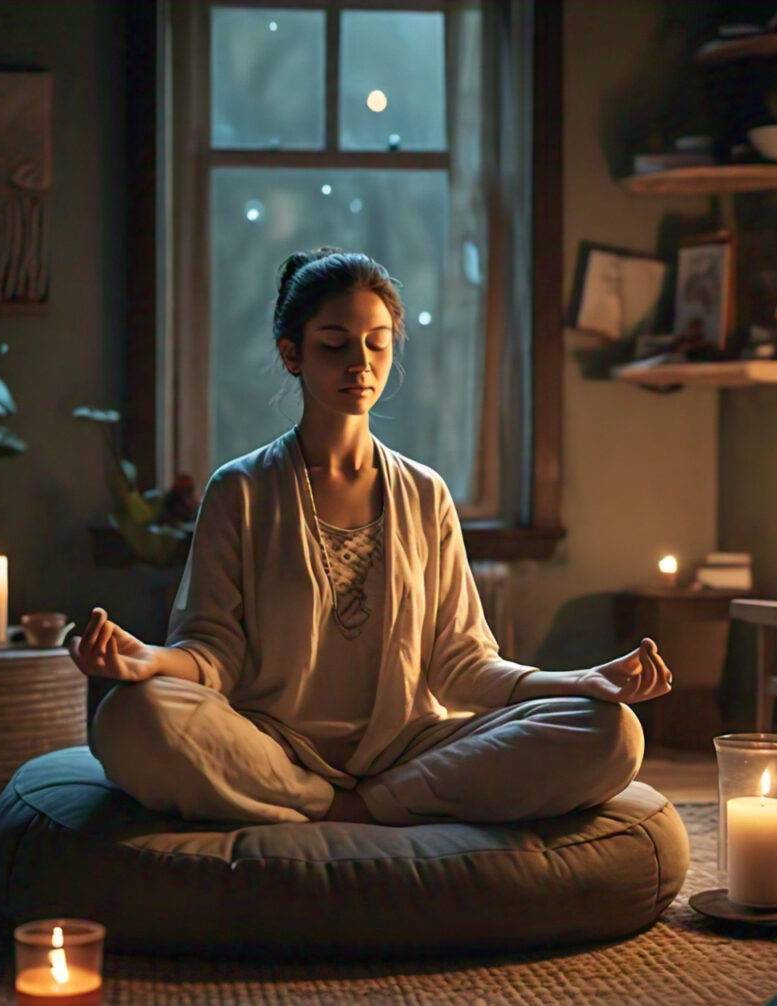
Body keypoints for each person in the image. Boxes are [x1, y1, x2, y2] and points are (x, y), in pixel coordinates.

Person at [69, 247, 672, 826]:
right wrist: (146, 659)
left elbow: (464, 666)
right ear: (292, 353)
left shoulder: (425, 492)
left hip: (411, 748)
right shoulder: (241, 490)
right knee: (129, 717)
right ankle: (337, 800)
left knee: (612, 733)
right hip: (270, 746)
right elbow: (213, 653)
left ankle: (365, 802)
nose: (360, 363)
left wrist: (582, 681)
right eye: (335, 344)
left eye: (377, 344)